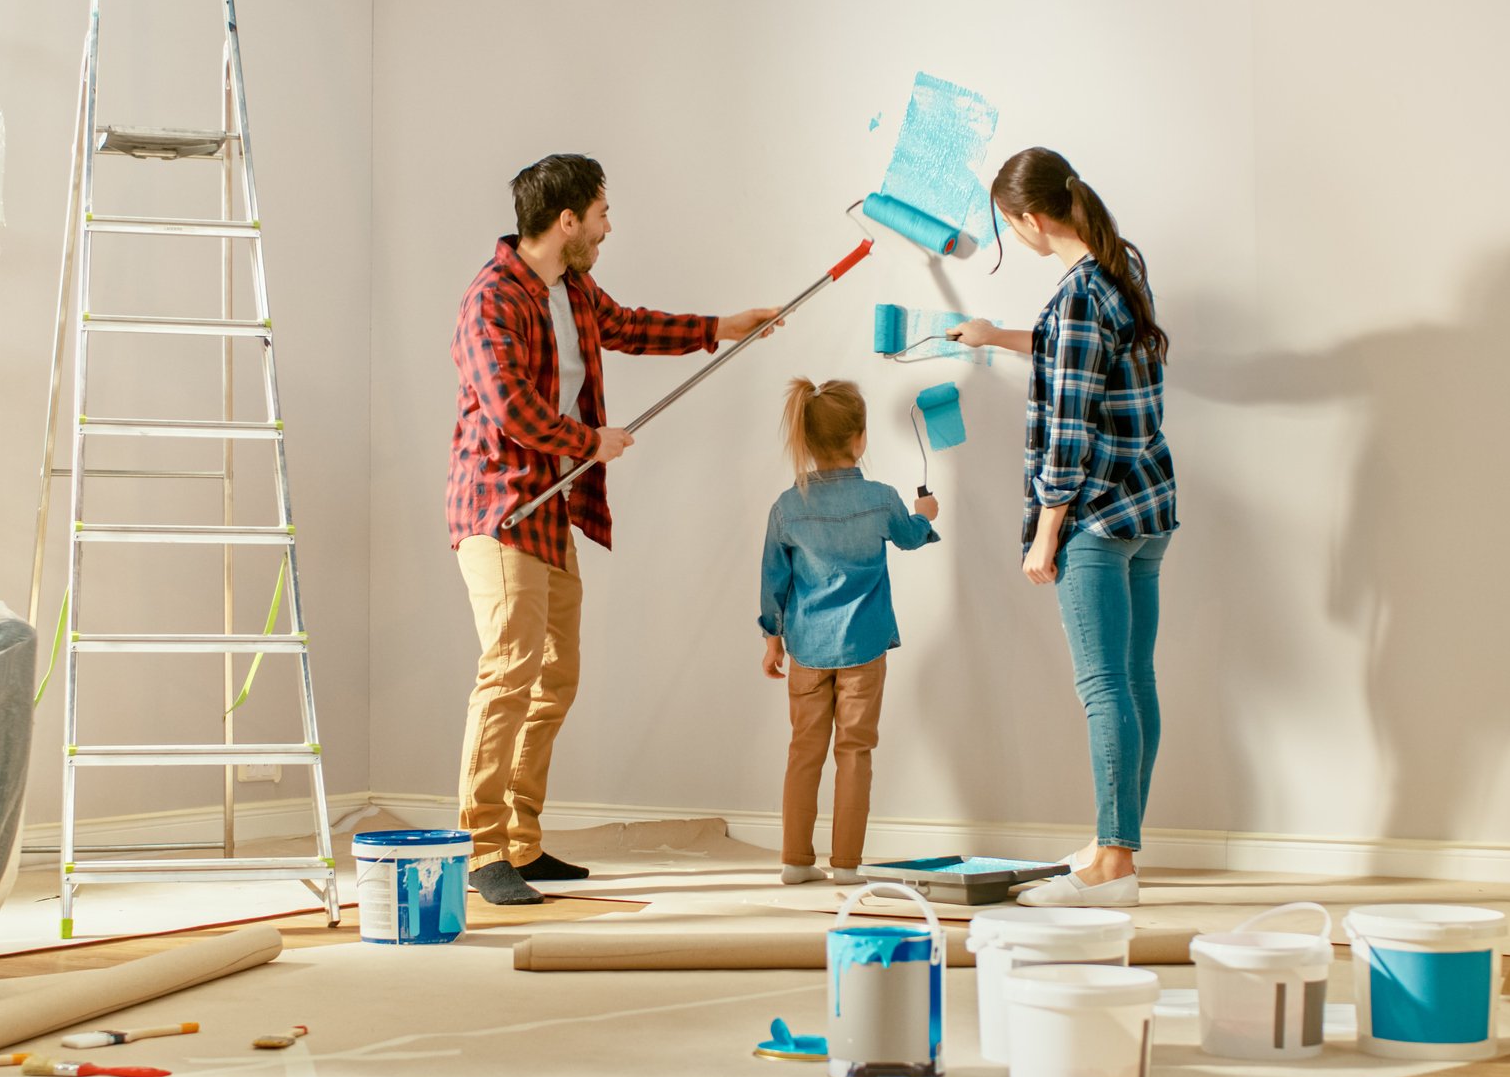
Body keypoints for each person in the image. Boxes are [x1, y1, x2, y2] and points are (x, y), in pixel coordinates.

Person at [447, 153, 782, 905]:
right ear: (565, 221)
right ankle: (480, 848)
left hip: (552, 509)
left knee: (555, 675)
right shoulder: (490, 299)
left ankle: (522, 842)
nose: (607, 226)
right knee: (508, 671)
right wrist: (586, 440)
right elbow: (504, 402)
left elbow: (626, 326)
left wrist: (721, 328)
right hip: (499, 509)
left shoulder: (571, 288)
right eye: (600, 213)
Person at [950, 147, 1176, 908]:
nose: (1016, 237)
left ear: (1030, 217)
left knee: (1103, 686)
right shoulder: (1120, 268)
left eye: (1012, 225)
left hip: (1096, 516)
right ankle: (1117, 845)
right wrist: (994, 336)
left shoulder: (1080, 293)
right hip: (1145, 508)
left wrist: (1046, 532)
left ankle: (1113, 859)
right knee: (1133, 681)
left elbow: (1069, 431)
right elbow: (1075, 358)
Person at [758, 378, 940, 884]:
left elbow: (773, 578)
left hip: (807, 650)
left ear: (807, 441)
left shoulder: (787, 505)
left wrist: (772, 639)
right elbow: (909, 537)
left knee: (803, 753)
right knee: (854, 752)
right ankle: (846, 867)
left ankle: (795, 862)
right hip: (863, 646)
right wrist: (925, 516)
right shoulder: (882, 499)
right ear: (860, 439)